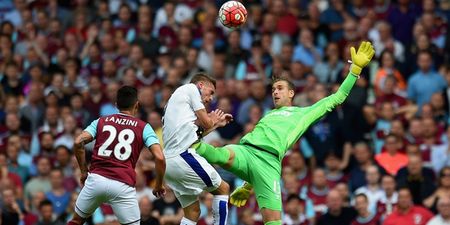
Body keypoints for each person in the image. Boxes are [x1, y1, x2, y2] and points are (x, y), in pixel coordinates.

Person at [192, 41, 375, 225]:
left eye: (280, 88)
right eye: (273, 89)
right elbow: (255, 156)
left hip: (269, 165)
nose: (275, 92)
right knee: (220, 153)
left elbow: (337, 98)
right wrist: (248, 184)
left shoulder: (303, 114)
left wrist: (355, 71)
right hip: (246, 152)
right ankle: (189, 145)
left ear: (292, 93)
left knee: (273, 222)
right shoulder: (267, 115)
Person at [66, 86, 166, 225]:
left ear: (116, 105)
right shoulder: (144, 127)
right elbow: (160, 157)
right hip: (123, 185)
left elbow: (78, 142)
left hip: (96, 180)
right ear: (136, 105)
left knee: (76, 221)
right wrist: (158, 185)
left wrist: (84, 172)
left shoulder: (100, 121)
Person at [162, 73, 231, 225]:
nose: (211, 98)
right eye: (210, 92)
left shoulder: (177, 107)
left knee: (192, 212)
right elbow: (206, 123)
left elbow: (196, 135)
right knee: (223, 189)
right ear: (200, 85)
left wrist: (217, 124)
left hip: (169, 163)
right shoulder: (191, 89)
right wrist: (212, 119)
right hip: (183, 156)